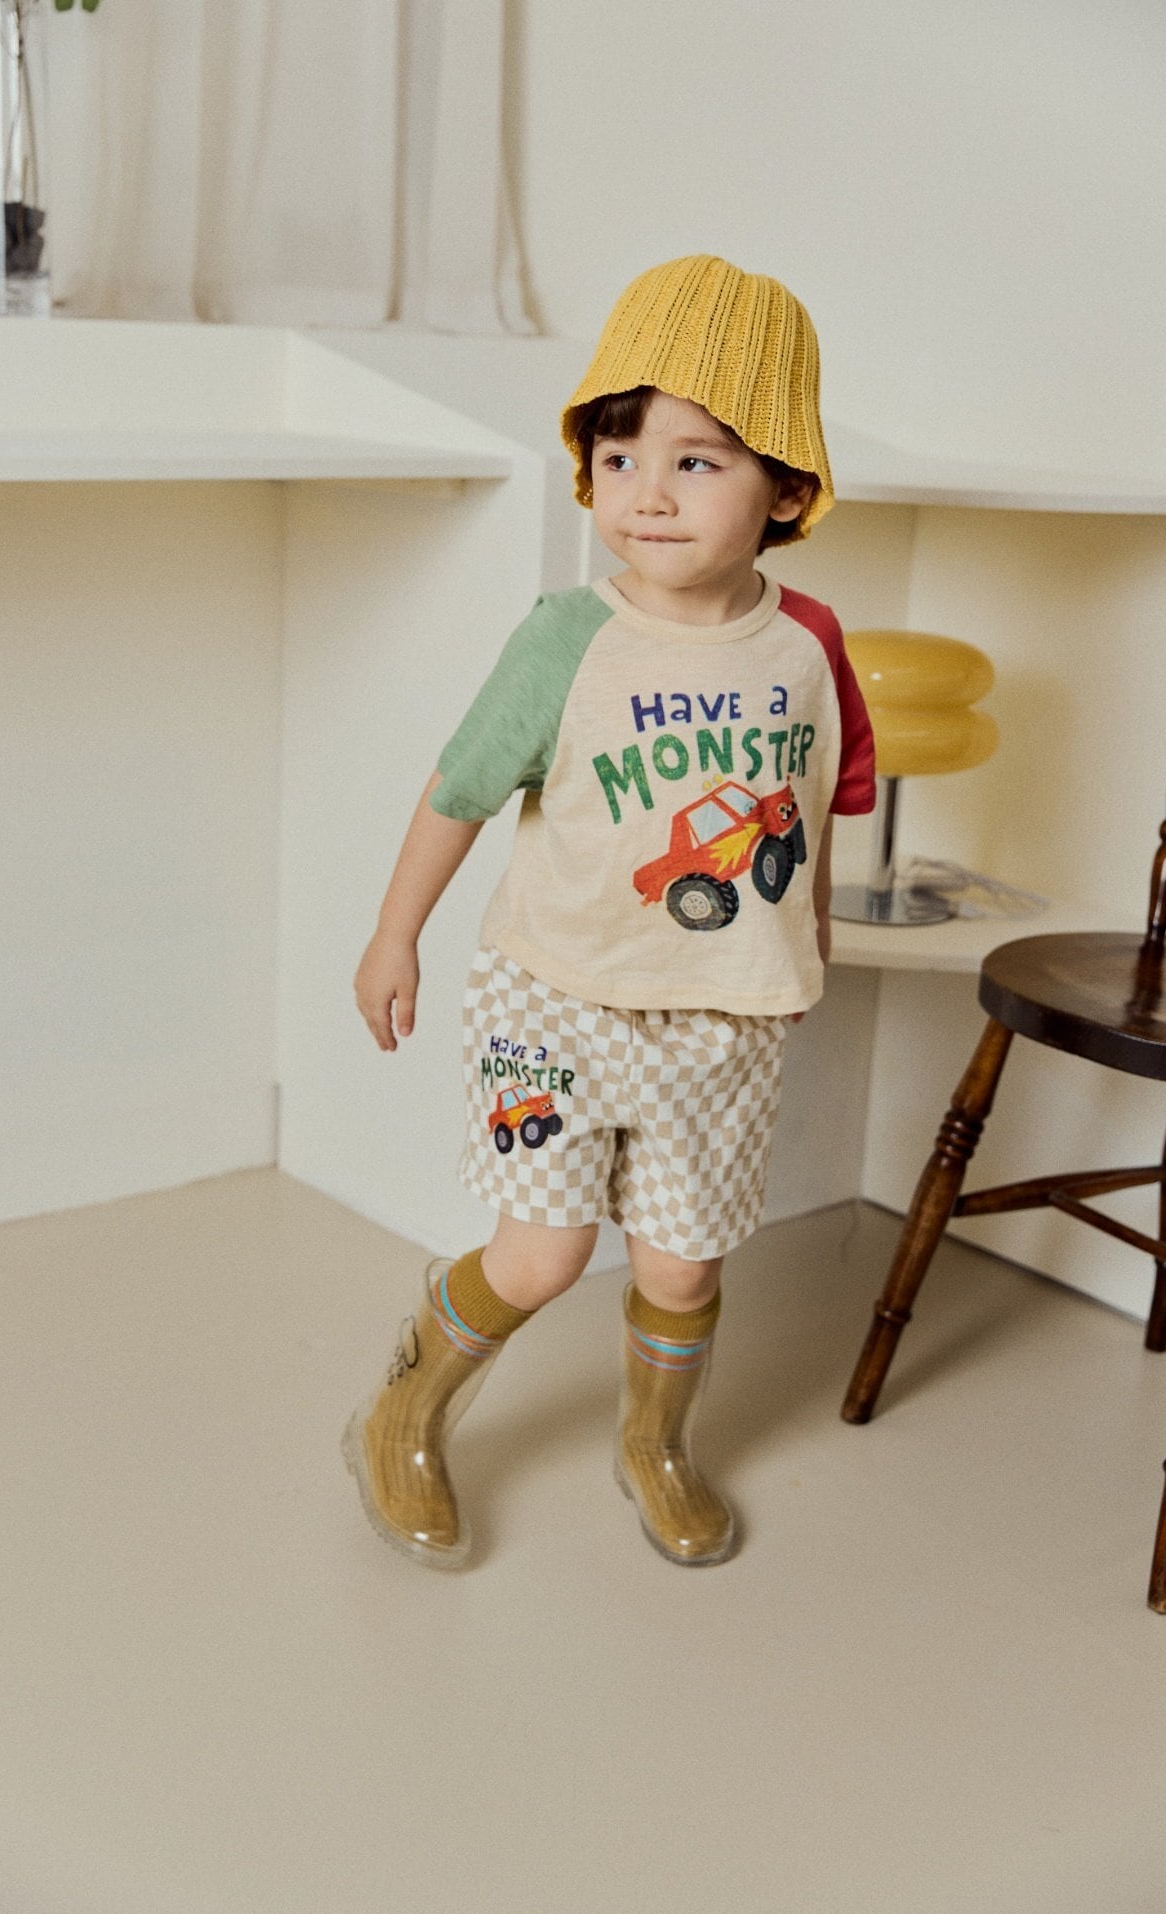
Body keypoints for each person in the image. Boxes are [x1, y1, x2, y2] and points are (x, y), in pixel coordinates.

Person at [346, 254, 875, 1571]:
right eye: (621, 454)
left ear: (786, 489)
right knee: (540, 1256)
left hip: (724, 1020)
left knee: (682, 1266)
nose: (648, 491)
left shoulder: (809, 643)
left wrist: (803, 945)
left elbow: (811, 806)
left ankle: (657, 1443)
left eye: (698, 461)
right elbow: (460, 788)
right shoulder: (564, 639)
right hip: (555, 996)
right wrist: (395, 933)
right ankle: (405, 1405)